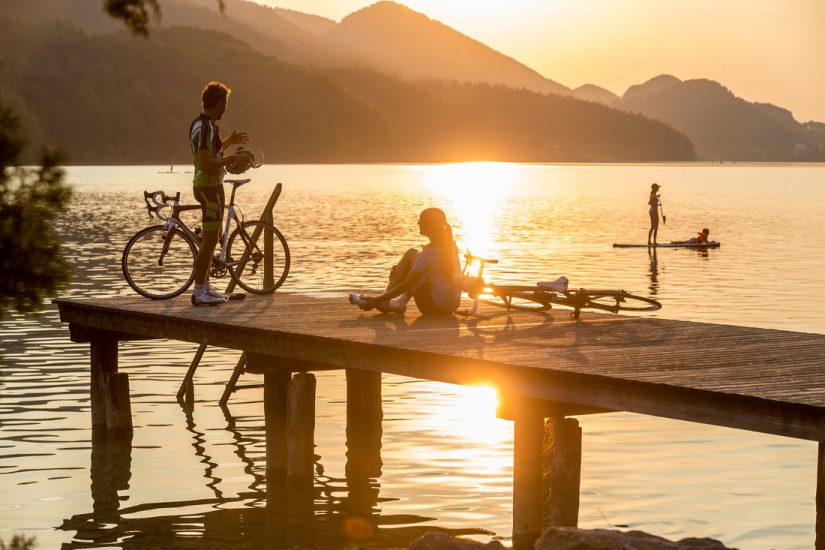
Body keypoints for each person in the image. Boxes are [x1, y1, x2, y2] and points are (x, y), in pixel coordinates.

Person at [189, 81, 251, 306]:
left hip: (208, 186)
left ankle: (205, 287)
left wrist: (229, 142)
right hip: (208, 187)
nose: (226, 108)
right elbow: (206, 163)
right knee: (209, 240)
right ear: (217, 104)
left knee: (211, 238)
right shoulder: (205, 127)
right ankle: (199, 292)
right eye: (225, 103)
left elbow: (210, 152)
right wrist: (231, 158)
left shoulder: (203, 124)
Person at [349, 208, 462, 316]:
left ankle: (387, 301)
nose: (418, 223)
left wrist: (375, 300)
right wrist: (402, 273)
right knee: (413, 255)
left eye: (421, 220)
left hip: (432, 308)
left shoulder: (428, 253)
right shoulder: (450, 245)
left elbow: (407, 284)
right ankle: (399, 302)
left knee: (411, 259)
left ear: (430, 226)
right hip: (452, 306)